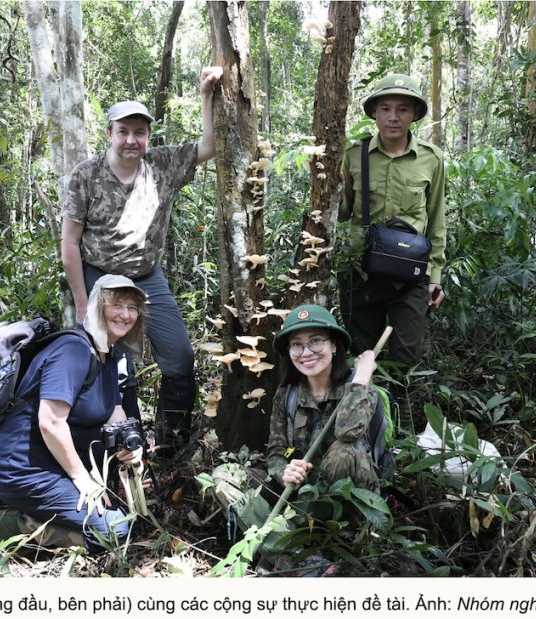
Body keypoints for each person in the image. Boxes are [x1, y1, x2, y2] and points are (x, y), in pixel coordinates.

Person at [61, 66, 223, 455]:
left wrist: (205, 95)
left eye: (139, 132)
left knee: (180, 357)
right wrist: (84, 304)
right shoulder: (86, 175)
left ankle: (172, 445)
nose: (131, 140)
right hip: (101, 278)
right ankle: (128, 451)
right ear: (110, 134)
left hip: (148, 278)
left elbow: (209, 146)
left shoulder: (163, 164)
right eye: (124, 131)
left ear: (148, 136)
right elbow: (69, 243)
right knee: (116, 368)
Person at [209, 305, 381, 571]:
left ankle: (288, 547)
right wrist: (284, 471)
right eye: (297, 345)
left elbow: (349, 432)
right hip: (298, 495)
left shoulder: (361, 387)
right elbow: (276, 453)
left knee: (343, 452)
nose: (306, 352)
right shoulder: (286, 395)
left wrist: (362, 376)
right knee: (224, 476)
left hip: (343, 503)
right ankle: (301, 557)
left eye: (316, 342)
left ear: (334, 345)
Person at [0, 275, 148, 550]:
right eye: (117, 305)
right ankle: (10, 524)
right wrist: (81, 478)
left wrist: (132, 447)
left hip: (55, 464)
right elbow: (50, 421)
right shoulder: (73, 350)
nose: (125, 314)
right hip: (23, 468)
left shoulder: (108, 355)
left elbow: (114, 411)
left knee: (133, 520)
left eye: (132, 308)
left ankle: (52, 512)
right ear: (98, 306)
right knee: (116, 531)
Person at [338, 73, 447, 432]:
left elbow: (436, 219)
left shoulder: (431, 160)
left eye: (403, 109)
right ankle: (363, 430)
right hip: (362, 273)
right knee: (362, 354)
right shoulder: (355, 156)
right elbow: (340, 212)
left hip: (410, 277)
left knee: (402, 358)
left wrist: (435, 277)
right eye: (385, 108)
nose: (394, 116)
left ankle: (397, 431)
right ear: (374, 114)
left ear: (415, 113)